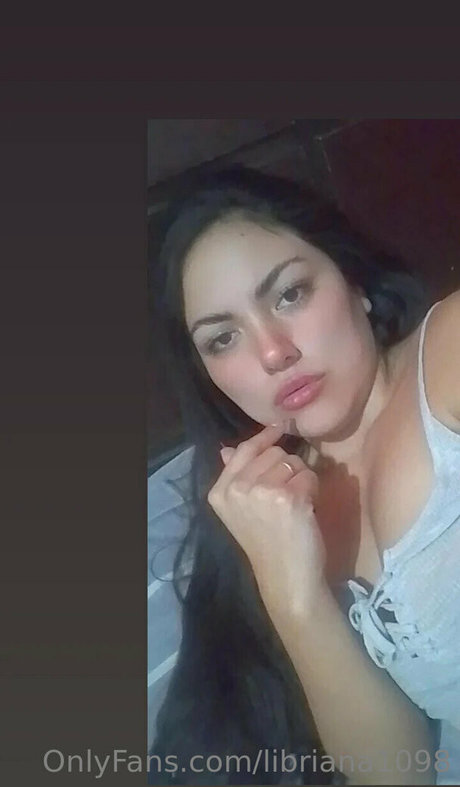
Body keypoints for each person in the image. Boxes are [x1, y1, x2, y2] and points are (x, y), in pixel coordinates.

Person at [149, 166, 460, 785]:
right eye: (223, 339)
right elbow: (400, 774)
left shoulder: (449, 353)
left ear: (353, 280)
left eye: (290, 294)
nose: (272, 351)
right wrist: (292, 596)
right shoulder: (278, 509)